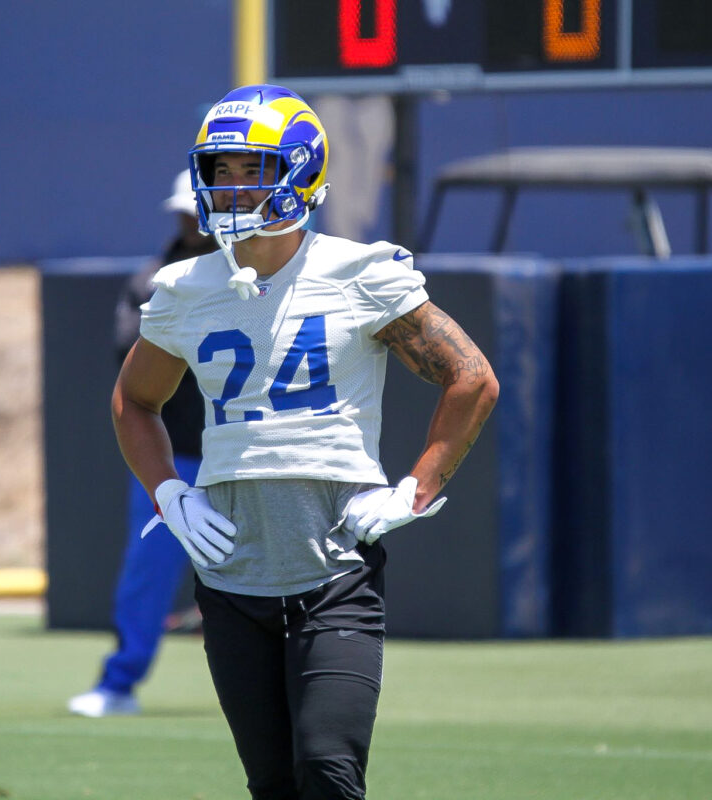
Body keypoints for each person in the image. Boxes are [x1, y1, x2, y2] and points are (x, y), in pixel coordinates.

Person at [111, 85, 499, 799]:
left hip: (333, 573)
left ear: (301, 171)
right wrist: (167, 489)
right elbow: (135, 402)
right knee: (273, 785)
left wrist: (416, 485)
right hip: (230, 579)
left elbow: (471, 378)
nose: (230, 188)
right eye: (219, 171)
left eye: (250, 168)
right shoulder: (185, 288)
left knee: (328, 772)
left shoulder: (359, 273)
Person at [67, 171, 217, 718]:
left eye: (198, 212)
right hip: (173, 457)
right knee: (149, 571)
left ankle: (293, 691)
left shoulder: (258, 279)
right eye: (185, 212)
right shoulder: (151, 281)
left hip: (250, 453)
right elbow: (131, 356)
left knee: (277, 572)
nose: (191, 222)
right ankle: (118, 684)